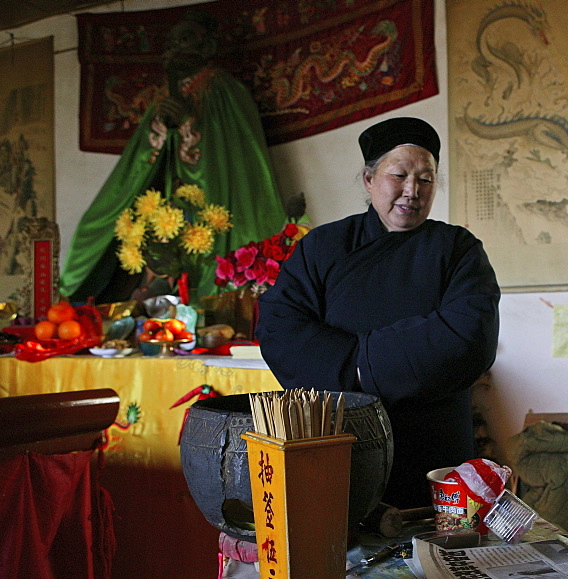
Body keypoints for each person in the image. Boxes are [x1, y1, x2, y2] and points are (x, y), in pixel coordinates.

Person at [256, 117, 501, 510]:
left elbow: (469, 335)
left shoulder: (457, 248)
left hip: (432, 445)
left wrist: (359, 368)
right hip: (339, 437)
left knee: (430, 554)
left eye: (425, 179)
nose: (411, 191)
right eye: (399, 175)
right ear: (369, 180)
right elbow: (279, 328)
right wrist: (356, 369)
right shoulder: (324, 246)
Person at [59, 9, 287, 304]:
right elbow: (142, 156)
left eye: (186, 39)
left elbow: (232, 154)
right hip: (170, 202)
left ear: (208, 46)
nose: (176, 47)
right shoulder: (164, 94)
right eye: (173, 41)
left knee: (212, 256)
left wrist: (189, 120)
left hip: (215, 200)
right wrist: (164, 127)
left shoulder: (223, 89)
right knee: (102, 226)